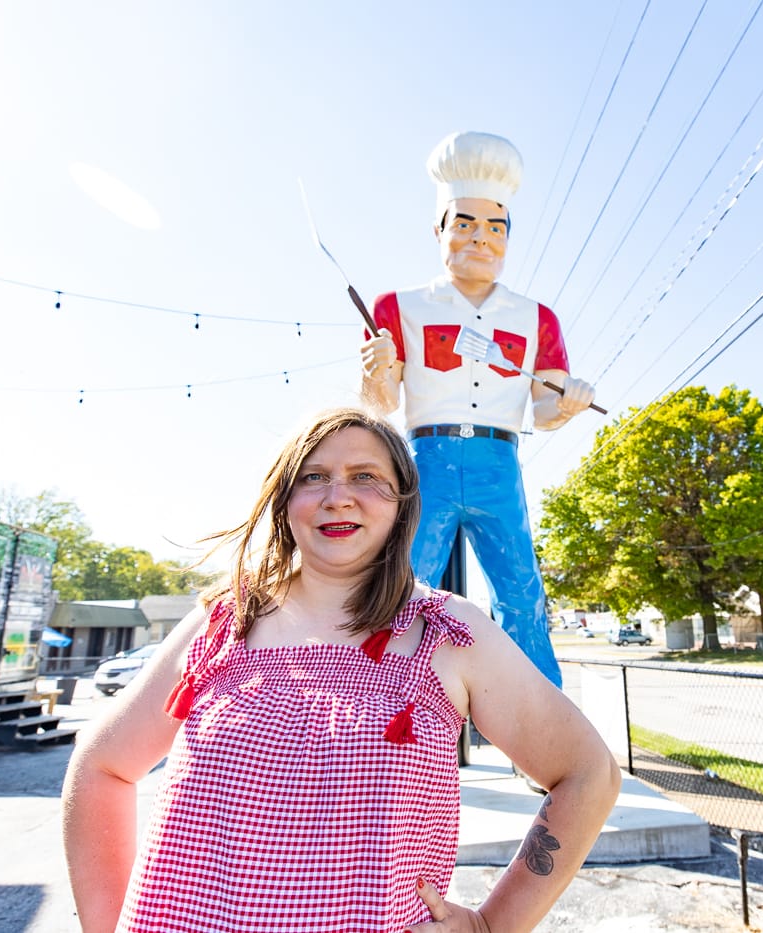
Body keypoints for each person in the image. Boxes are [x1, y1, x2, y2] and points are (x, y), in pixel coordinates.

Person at [61, 407, 621, 933]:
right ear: (284, 500)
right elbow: (101, 765)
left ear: (402, 502)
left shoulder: (450, 632)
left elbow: (588, 774)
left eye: (365, 477)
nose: (338, 498)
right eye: (313, 477)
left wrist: (491, 924)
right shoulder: (223, 622)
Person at [360, 131, 598, 689]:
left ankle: (540, 731)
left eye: (496, 227)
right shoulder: (397, 307)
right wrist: (375, 370)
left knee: (521, 593)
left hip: (498, 461)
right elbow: (382, 402)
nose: (481, 239)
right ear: (439, 228)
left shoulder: (538, 318)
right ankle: (386, 715)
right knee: (404, 587)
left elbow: (543, 409)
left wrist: (568, 404)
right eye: (464, 224)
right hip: (426, 459)